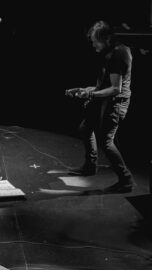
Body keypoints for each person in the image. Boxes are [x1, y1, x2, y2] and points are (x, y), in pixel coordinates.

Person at [65, 20, 134, 193]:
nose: (93, 43)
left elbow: (115, 89)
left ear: (106, 38)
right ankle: (90, 167)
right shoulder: (112, 52)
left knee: (106, 141)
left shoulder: (118, 54)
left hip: (115, 104)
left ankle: (126, 180)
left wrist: (90, 94)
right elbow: (105, 85)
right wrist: (85, 89)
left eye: (96, 40)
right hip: (105, 100)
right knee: (85, 127)